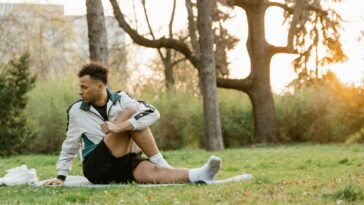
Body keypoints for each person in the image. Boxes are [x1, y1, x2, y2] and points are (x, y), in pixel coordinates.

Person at [45, 62, 222, 185]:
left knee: (155, 173)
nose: (80, 91)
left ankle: (200, 174)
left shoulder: (122, 98)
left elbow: (153, 112)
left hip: (124, 161)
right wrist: (61, 176)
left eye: (84, 87)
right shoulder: (77, 110)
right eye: (80, 87)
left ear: (99, 87)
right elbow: (70, 145)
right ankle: (161, 162)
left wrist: (119, 127)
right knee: (130, 112)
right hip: (96, 166)